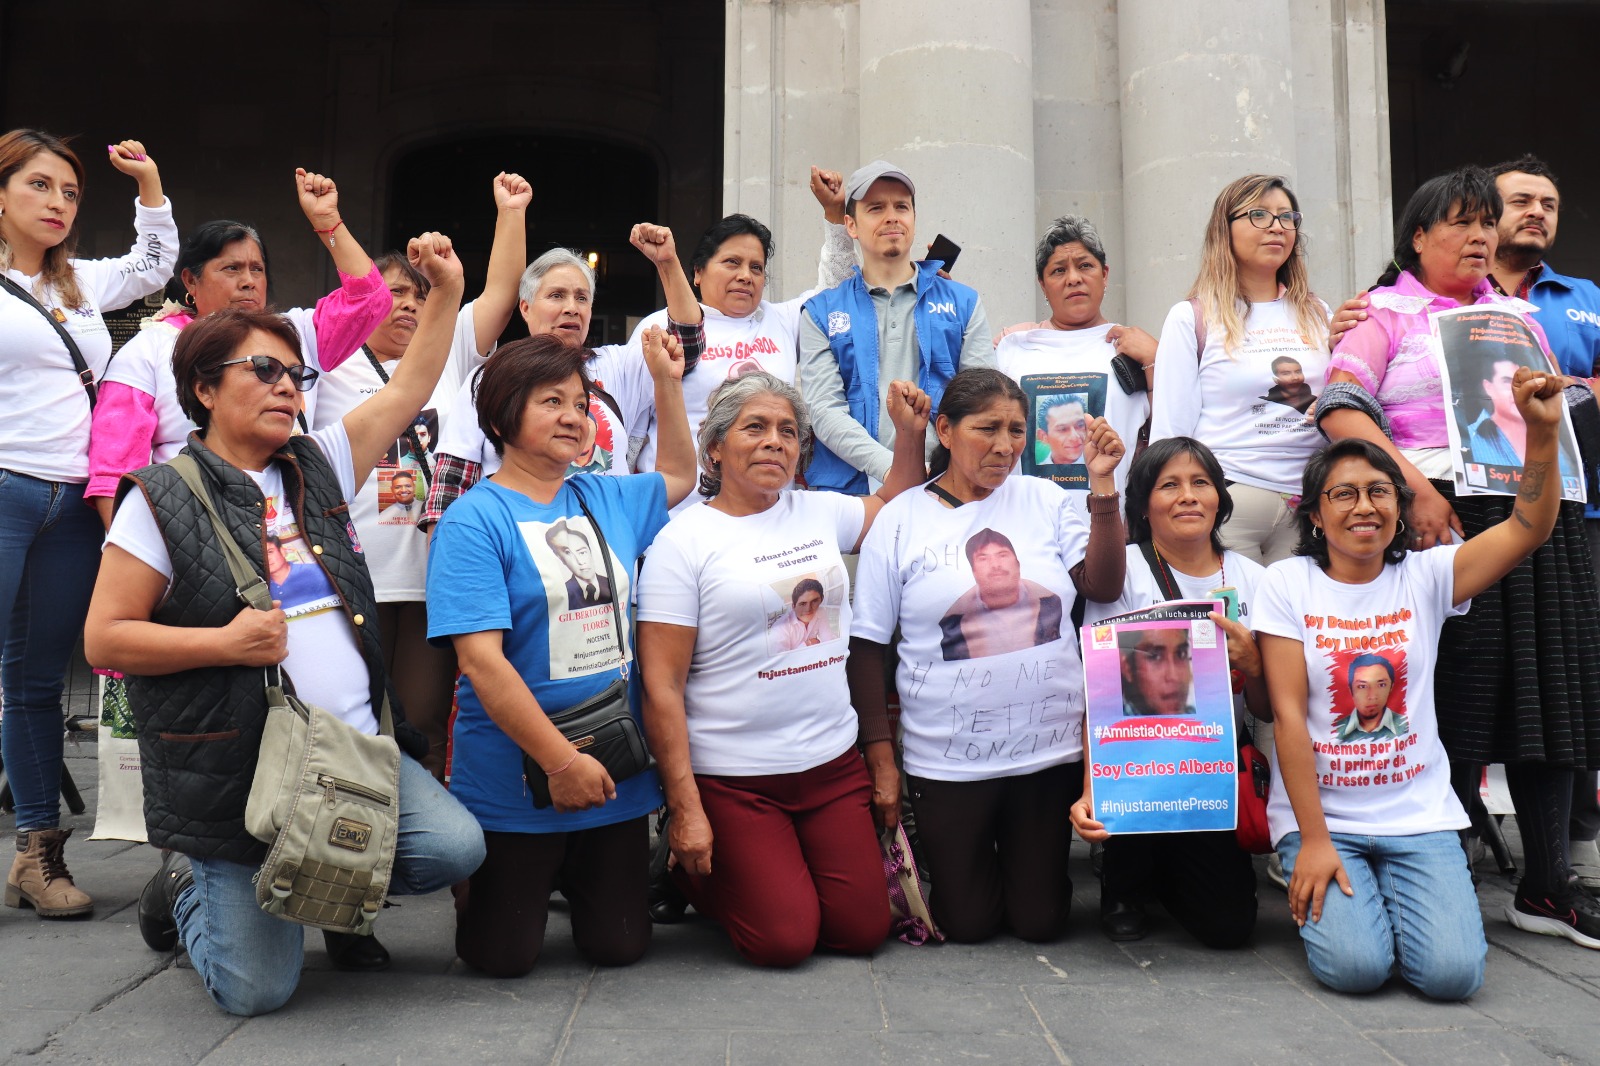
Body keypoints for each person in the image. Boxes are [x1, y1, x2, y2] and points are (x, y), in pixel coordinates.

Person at [83, 232, 485, 1016]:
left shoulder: (318, 460)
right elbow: (105, 638)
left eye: (296, 376)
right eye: (262, 371)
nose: (287, 389)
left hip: (352, 750)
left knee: (454, 846)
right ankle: (185, 887)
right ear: (202, 388)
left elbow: (409, 388)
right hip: (240, 776)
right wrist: (223, 643)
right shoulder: (159, 499)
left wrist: (447, 289)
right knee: (257, 992)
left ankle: (313, 888)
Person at [1323, 165, 1600, 949]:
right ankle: (1434, 864)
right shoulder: (1382, 312)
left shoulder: (1520, 318)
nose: (1481, 237)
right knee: (1454, 696)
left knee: (1549, 691)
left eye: (1488, 224)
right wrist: (1411, 491)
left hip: (1534, 510)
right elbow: (1340, 408)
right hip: (1438, 512)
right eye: (1463, 224)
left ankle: (1548, 884)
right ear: (1419, 236)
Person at [1256, 365, 1566, 996]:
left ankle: (1395, 896)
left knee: (1452, 977)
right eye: (1343, 494)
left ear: (1400, 508)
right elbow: (1287, 718)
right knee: (1355, 969)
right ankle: (1335, 888)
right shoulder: (1287, 585)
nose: (1364, 506)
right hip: (1324, 818)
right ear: (1316, 515)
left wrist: (1540, 435)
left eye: (1379, 491)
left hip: (1419, 816)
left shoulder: (1427, 576)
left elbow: (1529, 527)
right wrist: (1313, 841)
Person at [426, 326, 696, 978]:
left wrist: (665, 381)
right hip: (516, 772)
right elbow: (482, 663)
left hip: (614, 764)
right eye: (552, 402)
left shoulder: (606, 494)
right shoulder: (474, 519)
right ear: (503, 412)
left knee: (619, 947)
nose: (573, 417)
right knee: (500, 959)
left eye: (580, 403)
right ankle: (494, 885)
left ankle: (587, 876)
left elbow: (682, 474)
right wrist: (559, 762)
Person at [636, 371, 931, 966]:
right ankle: (685, 864)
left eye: (788, 432)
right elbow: (661, 686)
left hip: (830, 767)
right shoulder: (683, 541)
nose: (775, 441)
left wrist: (907, 435)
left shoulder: (816, 510)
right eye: (756, 427)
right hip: (736, 778)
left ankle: (773, 867)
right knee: (783, 941)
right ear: (715, 447)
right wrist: (687, 806)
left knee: (860, 931)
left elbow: (895, 507)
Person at [848, 368, 1126, 944]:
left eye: (1018, 430)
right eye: (988, 429)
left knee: (1041, 922)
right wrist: (881, 762)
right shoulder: (901, 518)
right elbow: (867, 647)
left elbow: (1101, 586)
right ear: (944, 430)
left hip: (1046, 758)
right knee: (968, 924)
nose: (1005, 445)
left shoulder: (1047, 499)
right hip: (948, 761)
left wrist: (1102, 488)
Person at [0, 131, 175, 919]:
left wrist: (149, 186)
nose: (58, 203)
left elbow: (152, 266)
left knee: (38, 682)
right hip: (2, 489)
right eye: (39, 186)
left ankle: (37, 853)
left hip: (72, 505)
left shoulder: (76, 287)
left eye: (69, 193)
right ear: (1, 194)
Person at [312, 172, 528, 780]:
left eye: (416, 294)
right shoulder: (326, 362)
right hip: (353, 568)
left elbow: (503, 292)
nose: (407, 305)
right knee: (352, 717)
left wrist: (509, 212)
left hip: (434, 566)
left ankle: (425, 850)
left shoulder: (449, 348)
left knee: (425, 720)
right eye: (392, 294)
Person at [85, 169, 391, 523]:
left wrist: (328, 223)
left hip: (296, 528)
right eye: (231, 268)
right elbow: (115, 471)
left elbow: (370, 298)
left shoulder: (298, 335)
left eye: (257, 270)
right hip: (193, 532)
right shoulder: (151, 348)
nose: (248, 281)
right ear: (190, 280)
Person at [1074, 437, 1267, 945]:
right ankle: (1125, 877)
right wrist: (1093, 788)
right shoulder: (1125, 572)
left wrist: (1255, 667)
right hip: (1137, 767)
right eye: (1170, 485)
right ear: (1143, 504)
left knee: (1229, 929)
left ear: (1220, 499)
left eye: (1201, 483)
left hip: (1214, 769)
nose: (1188, 496)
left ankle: (1169, 871)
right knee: (1127, 916)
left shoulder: (1256, 580)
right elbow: (1100, 694)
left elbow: (1268, 710)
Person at [421, 222, 707, 523]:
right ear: (526, 308)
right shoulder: (489, 377)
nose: (572, 307)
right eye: (557, 295)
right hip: (516, 545)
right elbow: (451, 487)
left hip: (606, 545)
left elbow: (686, 346)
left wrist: (667, 264)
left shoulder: (616, 366)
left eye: (581, 298)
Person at [1487, 154, 1600, 892]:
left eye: (1549, 203)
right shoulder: (1441, 293)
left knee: (1574, 677)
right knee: (1482, 674)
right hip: (1481, 511)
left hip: (1577, 513)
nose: (1537, 212)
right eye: (1521, 200)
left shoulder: (1585, 297)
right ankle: (1461, 825)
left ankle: (1575, 842)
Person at [626, 168, 858, 510]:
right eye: (731, 263)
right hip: (681, 513)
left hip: (769, 510)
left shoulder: (781, 318)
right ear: (698, 273)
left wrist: (835, 215)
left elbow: (836, 292)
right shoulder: (660, 327)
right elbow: (632, 425)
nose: (744, 276)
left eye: (756, 267)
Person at [1150, 174, 1332, 566]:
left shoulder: (1320, 314)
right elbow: (1171, 431)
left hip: (1312, 505)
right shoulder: (1192, 317)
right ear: (1225, 228)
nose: (1277, 228)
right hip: (1229, 500)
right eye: (1260, 215)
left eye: (1287, 218)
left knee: (1296, 627)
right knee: (1233, 625)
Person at [800, 161, 995, 494]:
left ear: (914, 220)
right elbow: (824, 410)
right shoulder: (820, 311)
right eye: (876, 208)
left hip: (944, 486)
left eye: (901, 207)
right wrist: (895, 470)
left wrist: (941, 470)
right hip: (853, 496)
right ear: (851, 225)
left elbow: (983, 401)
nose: (891, 216)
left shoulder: (965, 302)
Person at [995, 215, 1154, 508]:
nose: (1073, 278)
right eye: (1058, 270)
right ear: (1042, 284)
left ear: (1105, 274)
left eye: (1085, 265)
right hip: (1021, 533)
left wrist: (1157, 363)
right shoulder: (1011, 350)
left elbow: (1174, 434)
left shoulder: (1136, 349)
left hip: (1113, 530)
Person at [937, 529, 1063, 661]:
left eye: (1002, 555)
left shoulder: (1051, 604)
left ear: (1017, 564)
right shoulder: (952, 623)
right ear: (973, 571)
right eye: (983, 558)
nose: (995, 565)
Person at [1336, 654, 1406, 741]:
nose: (1372, 696)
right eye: (1362, 686)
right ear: (1351, 690)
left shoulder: (1407, 725)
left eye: (1381, 685)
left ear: (1391, 687)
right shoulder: (1335, 730)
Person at [546, 518, 612, 609]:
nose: (581, 562)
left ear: (590, 551)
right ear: (561, 559)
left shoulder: (612, 583)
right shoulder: (561, 593)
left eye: (582, 552)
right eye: (569, 554)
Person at [769, 577, 836, 652]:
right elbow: (782, 660)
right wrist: (807, 644)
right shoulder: (781, 627)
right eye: (803, 604)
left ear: (821, 599)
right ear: (793, 606)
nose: (808, 609)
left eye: (814, 601)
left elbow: (829, 642)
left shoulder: (820, 612)